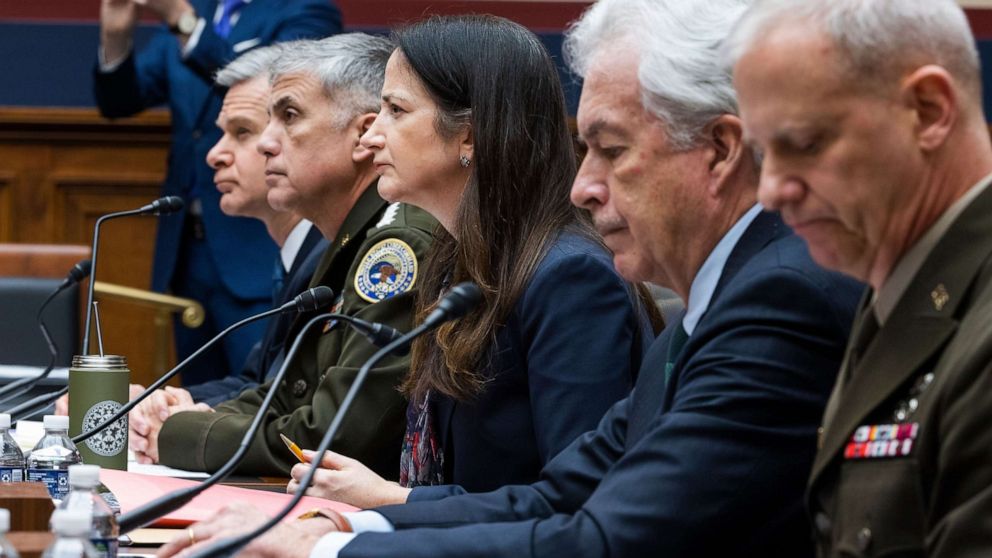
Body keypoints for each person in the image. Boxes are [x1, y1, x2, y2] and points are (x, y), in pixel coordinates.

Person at [159, 1, 864, 556]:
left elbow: (603, 532)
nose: (585, 185)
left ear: (719, 150)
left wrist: (343, 545)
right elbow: (569, 493)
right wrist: (362, 529)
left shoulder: (762, 297)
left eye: (611, 150)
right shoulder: (706, 300)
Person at [281, 15, 659, 509]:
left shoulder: (571, 277)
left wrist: (394, 503)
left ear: (470, 137)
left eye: (395, 109)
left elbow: (578, 500)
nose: (371, 136)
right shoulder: (456, 259)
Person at [728, 0, 992, 555]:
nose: (771, 190)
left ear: (927, 110)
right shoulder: (894, 285)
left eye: (804, 144)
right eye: (760, 152)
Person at [138, 34, 439, 478]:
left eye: (289, 117)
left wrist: (173, 434)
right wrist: (177, 419)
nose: (266, 144)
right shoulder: (347, 238)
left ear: (362, 135)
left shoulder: (396, 245)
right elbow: (285, 394)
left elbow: (334, 438)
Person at [54, 44, 328, 420]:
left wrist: (173, 424)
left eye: (242, 132)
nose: (215, 154)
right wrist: (140, 404)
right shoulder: (300, 255)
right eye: (222, 134)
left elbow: (296, 415)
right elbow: (256, 384)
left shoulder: (328, 258)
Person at [93, 0, 340, 386]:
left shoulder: (302, 10)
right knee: (202, 394)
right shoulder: (199, 8)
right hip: (188, 247)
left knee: (264, 387)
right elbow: (120, 101)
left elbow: (278, 91)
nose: (215, 155)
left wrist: (183, 20)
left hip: (256, 247)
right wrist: (116, 34)